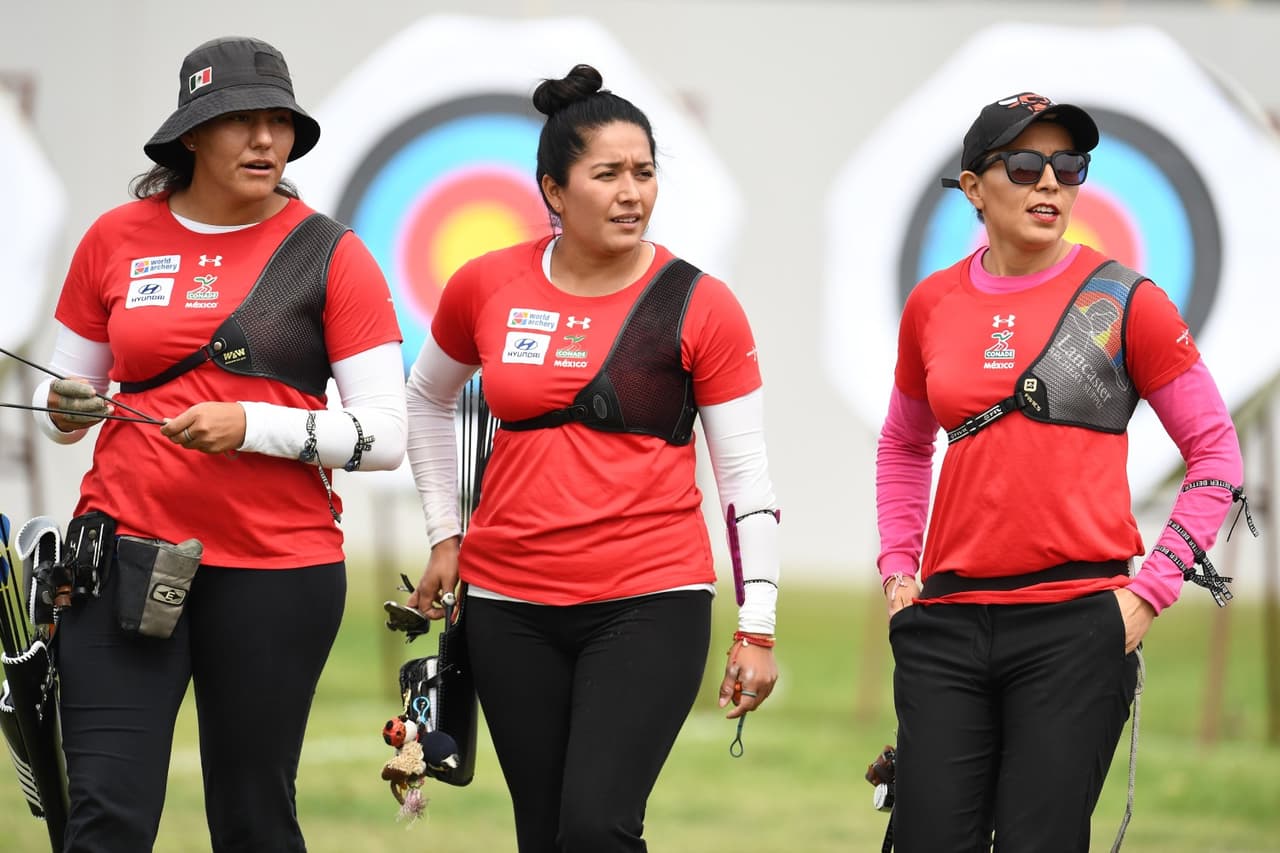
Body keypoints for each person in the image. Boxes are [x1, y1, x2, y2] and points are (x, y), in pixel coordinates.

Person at [31, 36, 406, 852]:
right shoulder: (114, 238)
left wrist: (251, 425)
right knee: (104, 816)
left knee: (252, 821)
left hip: (277, 572)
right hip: (120, 557)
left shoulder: (330, 254)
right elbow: (59, 399)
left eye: (280, 122)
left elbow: (384, 436)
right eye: (241, 121)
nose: (266, 140)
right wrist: (63, 406)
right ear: (193, 133)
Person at [403, 63, 781, 852]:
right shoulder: (487, 284)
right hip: (507, 606)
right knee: (543, 835)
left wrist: (759, 626)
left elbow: (746, 478)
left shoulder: (700, 303)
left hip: (650, 600)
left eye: (644, 172)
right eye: (607, 174)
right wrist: (445, 532)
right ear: (553, 189)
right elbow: (426, 397)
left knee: (596, 827)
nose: (631, 193)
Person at [876, 91, 1244, 852]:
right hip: (946, 621)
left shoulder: (1128, 301)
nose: (1050, 181)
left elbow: (1216, 455)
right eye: (1024, 164)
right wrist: (897, 572)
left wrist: (1148, 594)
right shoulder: (932, 303)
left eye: (1068, 165)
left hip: (1077, 624)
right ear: (974, 187)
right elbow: (904, 444)